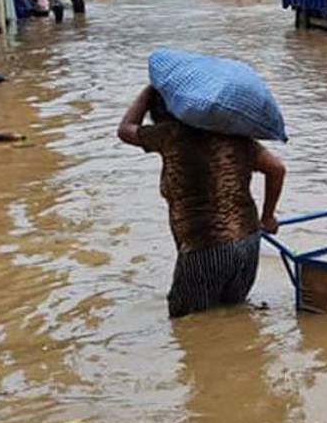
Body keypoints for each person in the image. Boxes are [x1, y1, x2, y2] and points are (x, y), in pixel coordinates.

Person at [116, 84, 287, 318]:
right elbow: (276, 169)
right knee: (234, 316)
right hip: (247, 243)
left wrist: (149, 91)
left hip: (204, 249)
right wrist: (267, 217)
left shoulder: (170, 135)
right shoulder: (235, 136)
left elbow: (125, 130)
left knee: (186, 324)